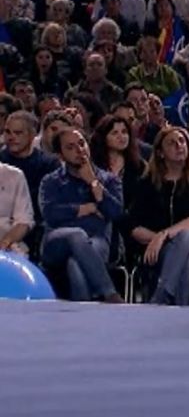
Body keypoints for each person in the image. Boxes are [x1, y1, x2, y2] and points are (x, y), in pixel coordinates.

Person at [129, 126, 189, 305]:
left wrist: (163, 235)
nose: (179, 146)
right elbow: (134, 226)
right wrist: (160, 240)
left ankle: (161, 295)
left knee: (186, 235)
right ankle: (179, 311)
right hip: (161, 249)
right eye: (172, 143)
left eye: (182, 141)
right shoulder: (147, 183)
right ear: (160, 153)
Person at [38, 128, 125, 303]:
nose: (79, 150)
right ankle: (110, 294)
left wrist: (93, 183)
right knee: (76, 234)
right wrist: (86, 209)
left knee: (75, 264)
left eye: (81, 143)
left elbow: (115, 213)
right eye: (70, 147)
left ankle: (83, 320)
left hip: (98, 240)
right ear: (61, 156)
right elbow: (51, 214)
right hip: (56, 242)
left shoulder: (108, 180)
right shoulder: (51, 181)